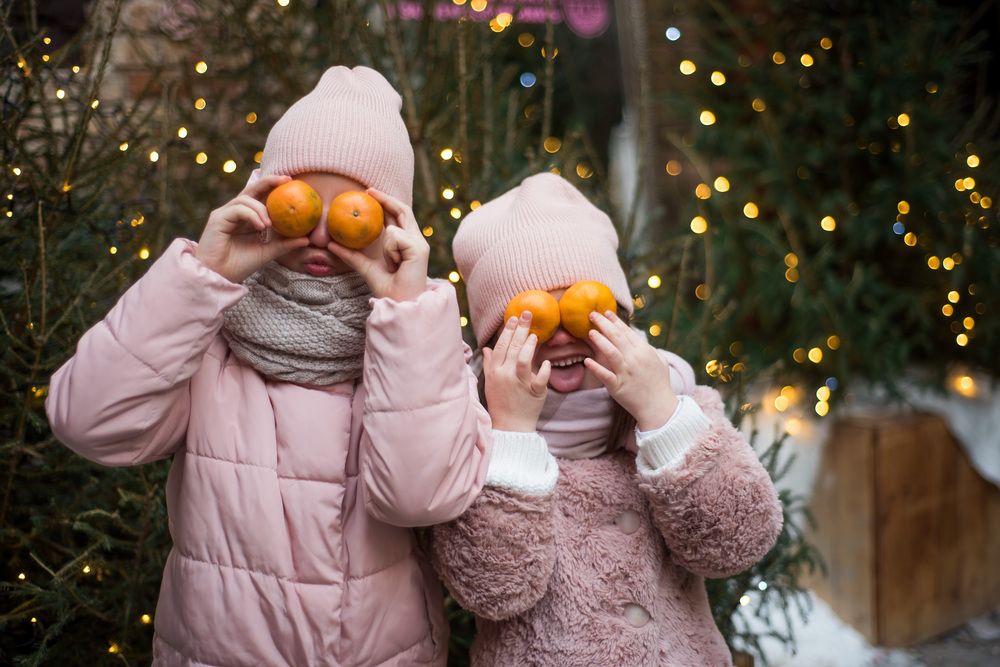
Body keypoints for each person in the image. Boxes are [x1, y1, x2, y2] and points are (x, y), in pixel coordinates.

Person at [45, 66, 491, 666]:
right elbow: (87, 422)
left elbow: (419, 497)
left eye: (352, 212)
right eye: (304, 205)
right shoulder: (207, 332)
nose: (323, 237)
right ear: (267, 199)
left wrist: (407, 314)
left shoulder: (424, 343)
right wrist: (201, 277)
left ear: (391, 224)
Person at [431, 172, 783, 666]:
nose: (558, 338)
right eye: (533, 320)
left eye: (581, 310)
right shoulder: (472, 430)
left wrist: (660, 413)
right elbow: (492, 590)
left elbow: (736, 543)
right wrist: (511, 433)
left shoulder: (677, 398)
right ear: (494, 342)